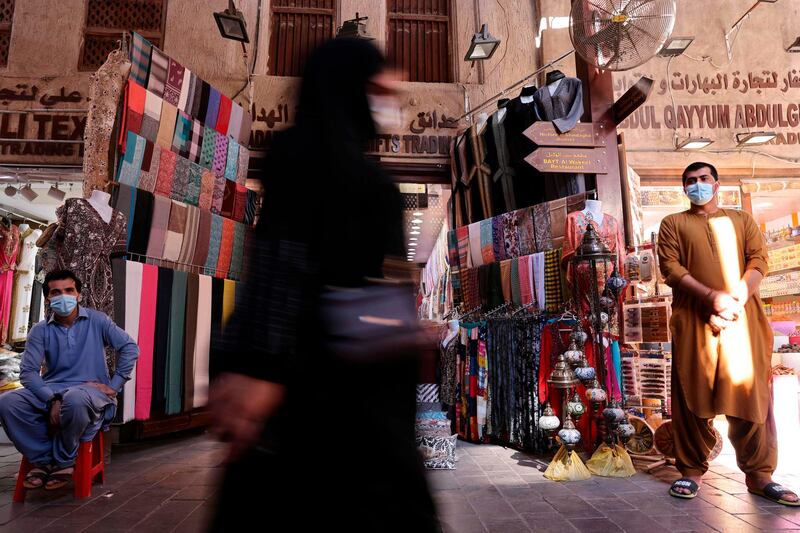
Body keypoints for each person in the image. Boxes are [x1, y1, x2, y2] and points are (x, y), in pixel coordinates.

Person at [208, 38, 438, 531]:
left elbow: (270, 270)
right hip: (340, 402)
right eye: (378, 90)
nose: (388, 105)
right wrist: (264, 368)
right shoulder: (348, 179)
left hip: (309, 398)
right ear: (347, 90)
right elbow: (283, 269)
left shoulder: (301, 160)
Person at [658, 162, 799, 506]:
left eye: (704, 179)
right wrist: (711, 298)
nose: (698, 185)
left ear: (717, 184)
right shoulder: (673, 224)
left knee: (751, 395)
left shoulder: (742, 220)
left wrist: (734, 300)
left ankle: (760, 475)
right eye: (690, 181)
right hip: (694, 322)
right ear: (684, 189)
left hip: (742, 319)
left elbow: (759, 261)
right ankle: (690, 471)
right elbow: (672, 268)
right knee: (693, 393)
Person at [0, 269, 139, 491]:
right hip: (54, 390)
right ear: (47, 298)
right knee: (7, 402)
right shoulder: (40, 330)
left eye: (69, 290)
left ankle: (64, 460)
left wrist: (114, 386)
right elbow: (27, 373)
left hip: (90, 391)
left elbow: (130, 347)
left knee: (75, 399)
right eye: (56, 292)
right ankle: (44, 460)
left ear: (78, 295)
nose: (63, 296)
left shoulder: (98, 320)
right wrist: (53, 398)